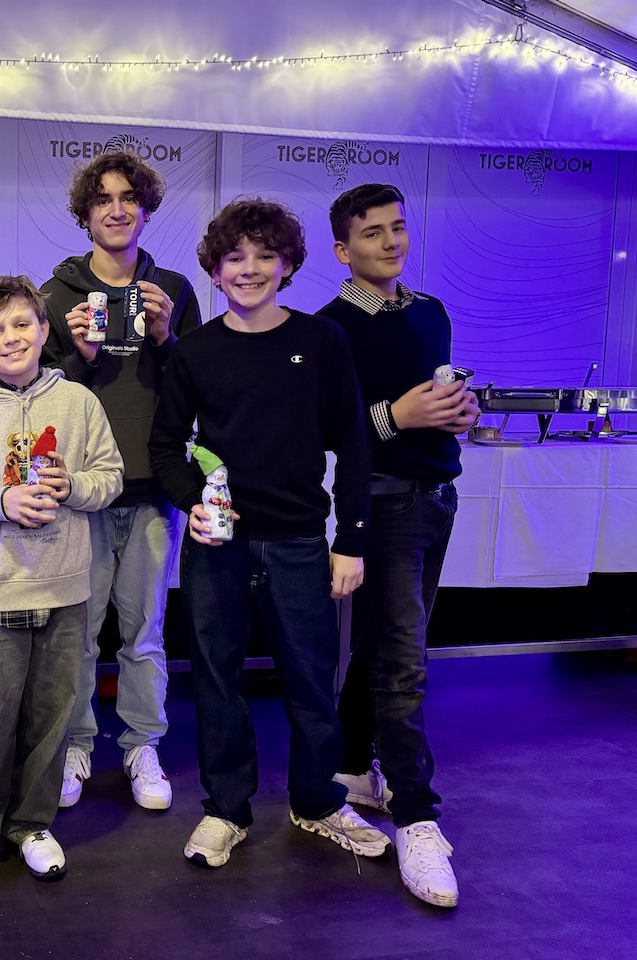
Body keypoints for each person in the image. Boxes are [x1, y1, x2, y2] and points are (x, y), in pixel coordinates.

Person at [148, 197, 389, 870]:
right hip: (217, 547)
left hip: (300, 543)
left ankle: (317, 802)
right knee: (217, 681)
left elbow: (354, 445)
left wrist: (351, 541)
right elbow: (165, 447)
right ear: (215, 270)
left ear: (287, 264)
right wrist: (193, 504)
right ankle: (226, 810)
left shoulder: (323, 341)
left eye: (264, 254)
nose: (249, 268)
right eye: (234, 257)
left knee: (311, 681)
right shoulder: (195, 352)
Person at [317, 183, 478, 908]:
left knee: (384, 649)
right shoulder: (331, 329)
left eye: (398, 228)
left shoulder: (432, 313)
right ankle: (417, 814)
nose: (391, 242)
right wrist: (397, 415)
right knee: (404, 665)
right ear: (342, 250)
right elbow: (332, 428)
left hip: (440, 497)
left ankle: (355, 768)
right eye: (373, 233)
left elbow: (435, 403)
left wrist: (457, 411)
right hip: (381, 506)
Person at [0, 276, 124, 888]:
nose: (11, 338)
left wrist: (74, 486)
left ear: (45, 330)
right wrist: (1, 501)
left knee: (51, 715)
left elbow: (110, 478)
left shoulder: (79, 403)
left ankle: (32, 823)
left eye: (22, 324)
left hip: (64, 588)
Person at [40, 150, 200, 812]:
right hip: (80, 495)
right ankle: (75, 743)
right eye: (102, 199)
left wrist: (165, 339)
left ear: (145, 209)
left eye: (128, 197)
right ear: (85, 214)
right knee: (77, 636)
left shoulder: (175, 291)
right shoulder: (54, 296)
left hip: (154, 490)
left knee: (144, 633)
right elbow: (40, 400)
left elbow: (196, 390)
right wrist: (79, 356)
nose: (116, 209)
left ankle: (141, 745)